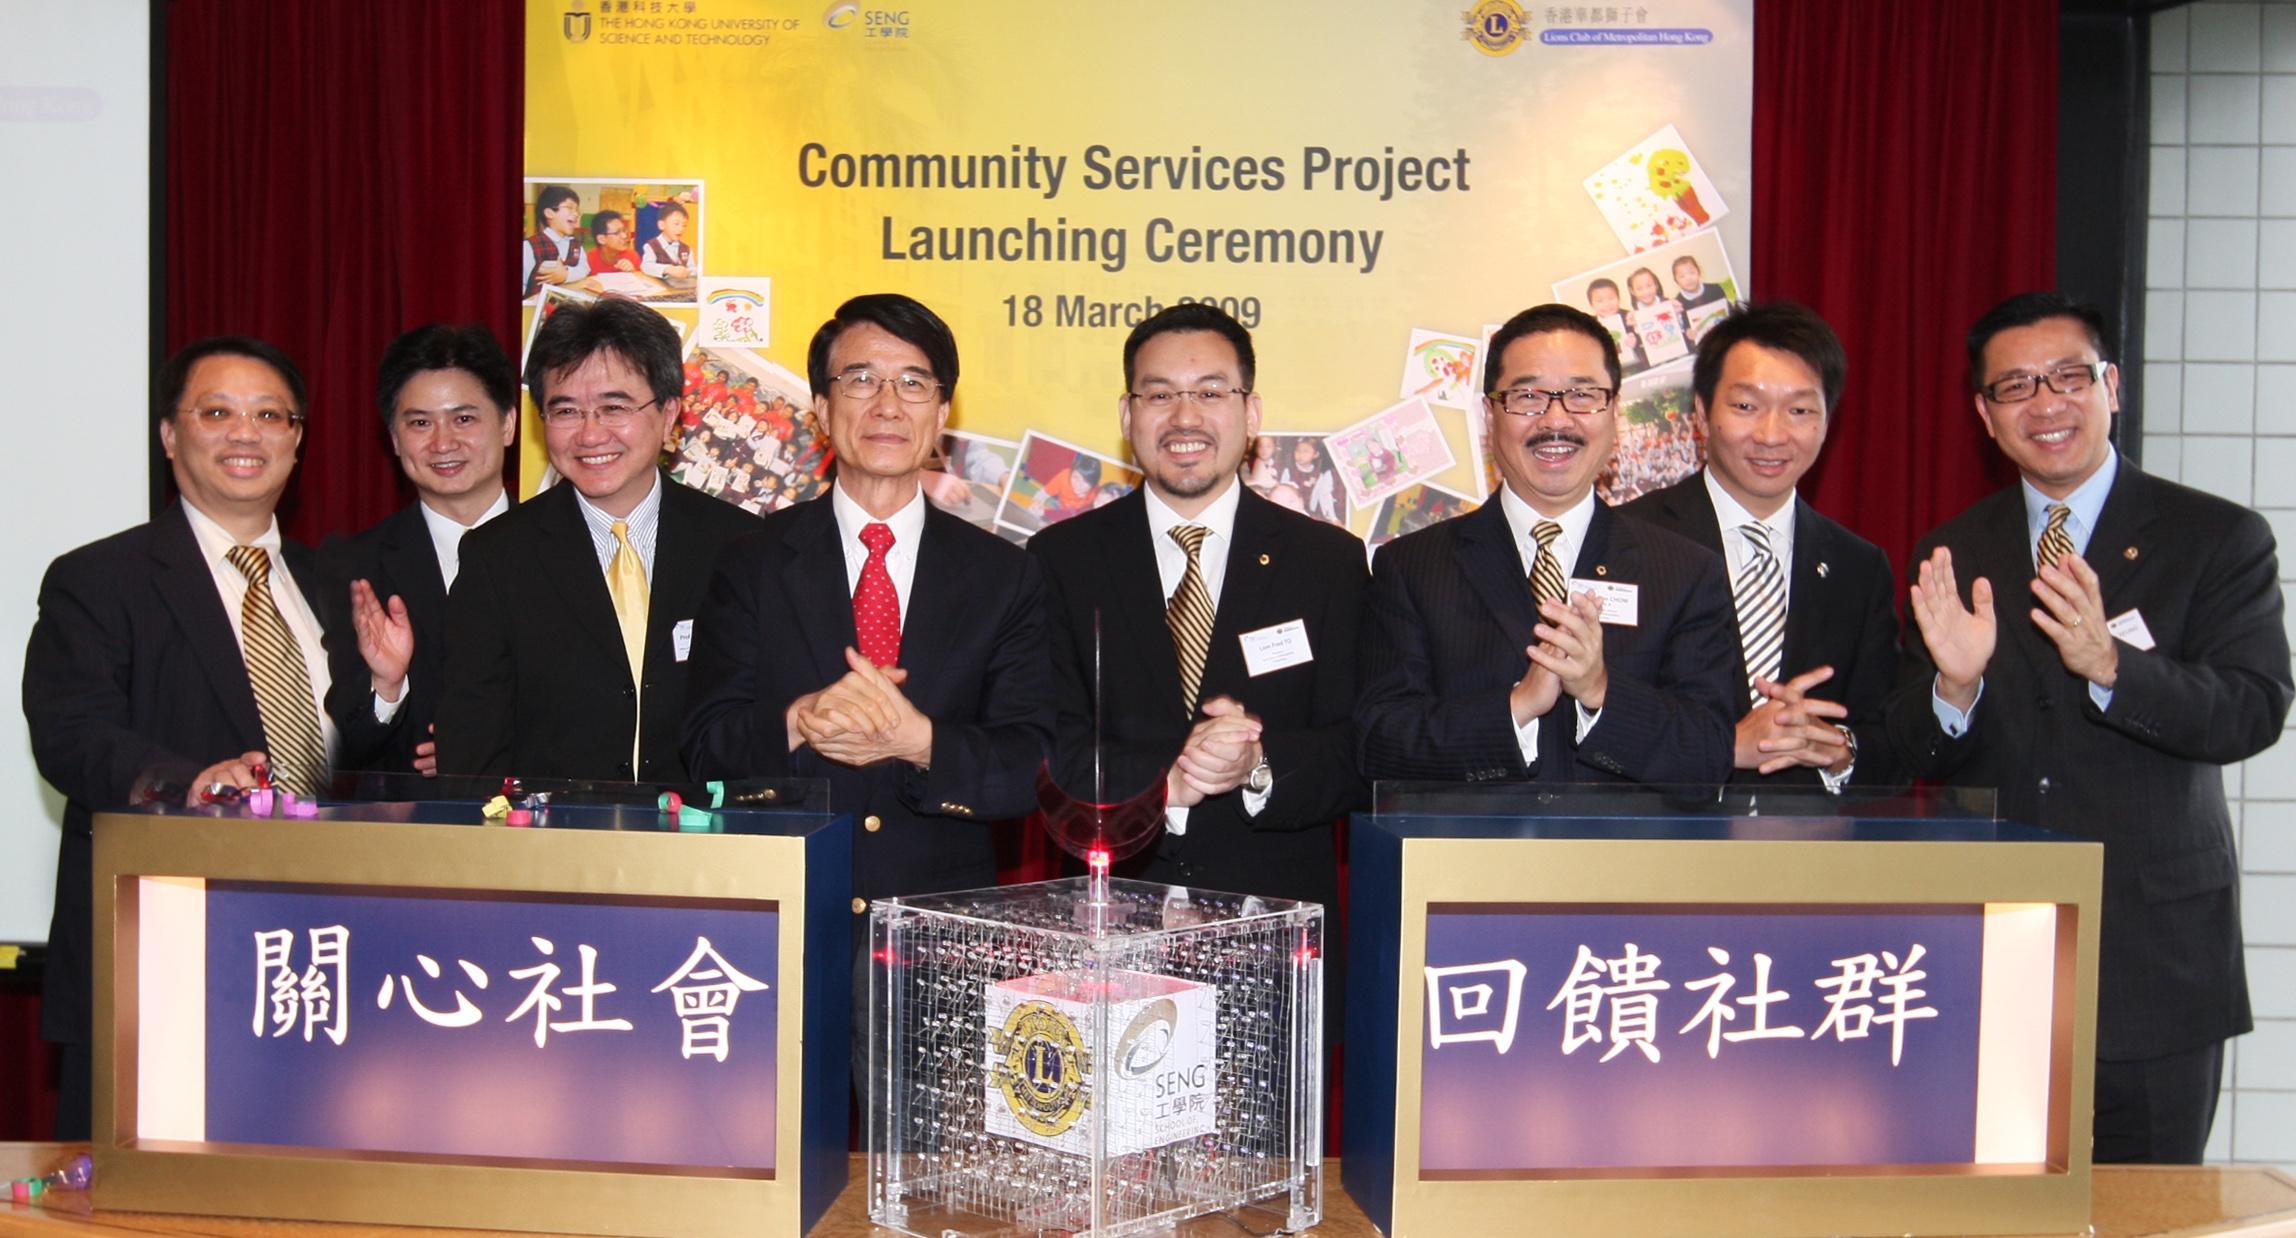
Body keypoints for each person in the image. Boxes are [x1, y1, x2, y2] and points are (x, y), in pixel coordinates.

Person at [1888, 291, 2292, 1163]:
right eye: (2016, 386)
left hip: (2152, 953)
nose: (2046, 402)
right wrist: (1953, 687)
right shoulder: (1952, 547)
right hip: (1994, 951)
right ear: (1985, 416)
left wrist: (2115, 667)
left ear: (2111, 385)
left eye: (2068, 375)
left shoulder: (2215, 536)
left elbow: (2253, 708)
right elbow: (1906, 745)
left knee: (2150, 1208)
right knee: (1996, 1204)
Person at [24, 337, 409, 1138]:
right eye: (218, 413)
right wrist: (187, 782)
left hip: (330, 952)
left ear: (297, 440)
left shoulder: (336, 582)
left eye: (271, 415)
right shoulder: (100, 580)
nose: (247, 434)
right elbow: (71, 734)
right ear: (170, 434)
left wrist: (383, 689)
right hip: (167, 951)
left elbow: (357, 768)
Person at [683, 293, 1053, 910]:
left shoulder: (1004, 575)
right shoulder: (753, 560)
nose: (887, 405)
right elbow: (702, 751)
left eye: (913, 383)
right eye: (860, 380)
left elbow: (1032, 764)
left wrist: (920, 741)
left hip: (938, 926)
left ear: (941, 413)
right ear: (823, 410)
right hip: (781, 911)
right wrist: (801, 720)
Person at [1029, 302, 1367, 917]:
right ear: (1128, 415)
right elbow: (1048, 746)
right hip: (1111, 918)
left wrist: (1258, 765)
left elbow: (1358, 748)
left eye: (1211, 392)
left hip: (1273, 926)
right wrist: (1166, 787)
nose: (1186, 418)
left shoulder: (1328, 561)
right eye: (1159, 396)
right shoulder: (1061, 559)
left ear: (1251, 412)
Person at [1356, 304, 1737, 784]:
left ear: (1615, 412)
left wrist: (1599, 690)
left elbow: (1707, 755)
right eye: (1528, 395)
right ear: (1488, 414)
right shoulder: (1411, 568)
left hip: (1628, 858)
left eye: (1583, 395)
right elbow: (1379, 745)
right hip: (1470, 858)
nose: (1556, 420)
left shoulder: (1685, 571)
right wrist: (1517, 707)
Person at [438, 297, 759, 781]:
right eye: (565, 411)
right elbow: (473, 752)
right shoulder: (498, 558)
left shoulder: (740, 546)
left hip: (706, 846)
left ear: (669, 412)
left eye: (614, 407)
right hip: (553, 846)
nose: (590, 435)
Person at [1617, 301, 1898, 789]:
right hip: (1660, 848)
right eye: (1746, 406)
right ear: (1701, 414)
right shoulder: (1625, 544)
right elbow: (1596, 722)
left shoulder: (1860, 566)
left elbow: (1888, 740)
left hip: (1804, 854)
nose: (1772, 434)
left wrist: (1839, 753)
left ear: (1827, 420)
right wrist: (1720, 747)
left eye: (1800, 410)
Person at [322, 324, 520, 776]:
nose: (443, 443)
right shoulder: (354, 567)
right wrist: (385, 686)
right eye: (419, 423)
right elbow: (349, 742)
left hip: (549, 831)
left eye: (464, 419)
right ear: (393, 438)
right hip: (407, 831)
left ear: (507, 423)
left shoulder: (566, 554)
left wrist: (488, 750)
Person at [520, 184, 590, 299]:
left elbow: (584, 269)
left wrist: (565, 275)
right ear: (549, 213)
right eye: (569, 207)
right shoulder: (529, 247)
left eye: (577, 209)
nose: (576, 214)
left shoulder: (576, 246)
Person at [640, 200, 694, 280]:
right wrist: (667, 269)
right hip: (659, 289)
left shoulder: (686, 249)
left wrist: (688, 272)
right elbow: (646, 266)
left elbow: (693, 269)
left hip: (680, 288)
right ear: (661, 225)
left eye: (684, 225)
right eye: (676, 224)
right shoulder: (651, 246)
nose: (680, 229)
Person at [587, 210, 640, 276]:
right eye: (617, 233)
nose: (624, 236)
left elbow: (643, 283)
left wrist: (633, 272)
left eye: (624, 230)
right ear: (601, 239)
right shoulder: (589, 260)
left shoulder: (632, 256)